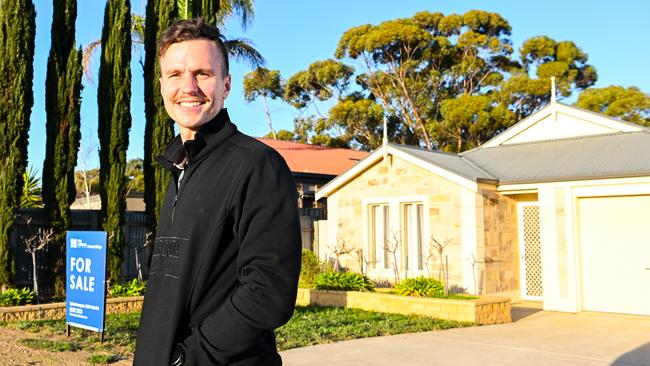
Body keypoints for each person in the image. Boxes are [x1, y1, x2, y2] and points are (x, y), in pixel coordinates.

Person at [133, 18, 302, 366]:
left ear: (226, 85)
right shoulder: (179, 168)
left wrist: (188, 358)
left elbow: (268, 292)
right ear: (162, 86)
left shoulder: (257, 166)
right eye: (175, 75)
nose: (188, 86)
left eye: (203, 74)